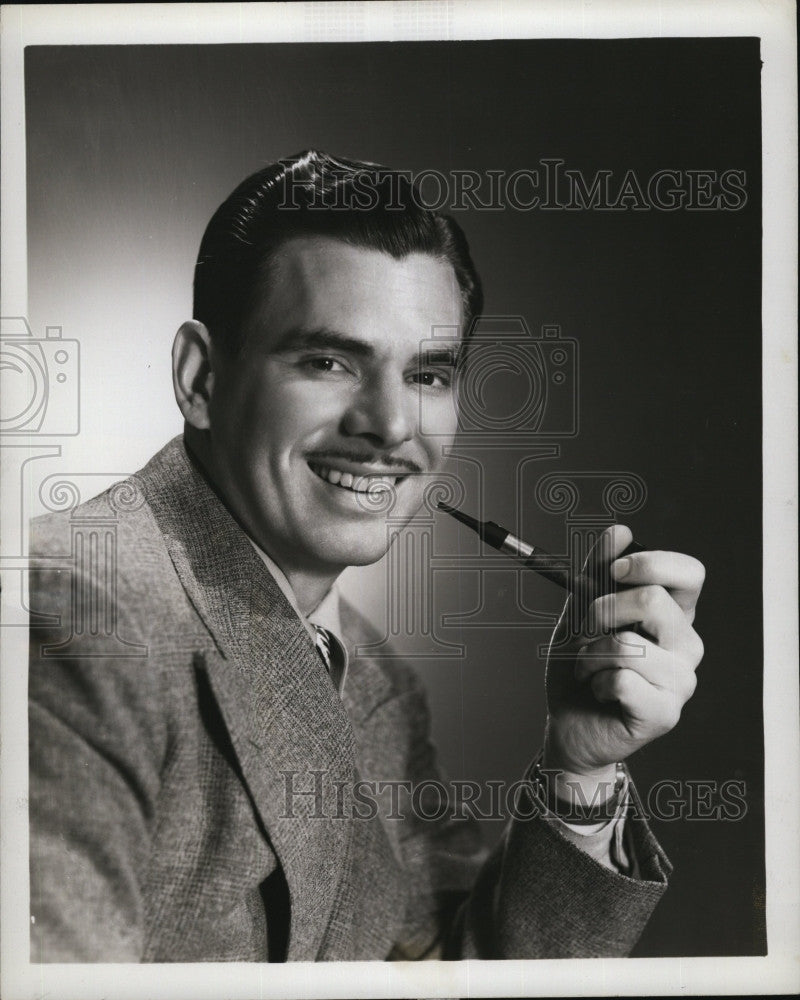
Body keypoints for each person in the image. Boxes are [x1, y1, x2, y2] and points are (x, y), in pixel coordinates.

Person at [28, 150, 705, 962]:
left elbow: (451, 979)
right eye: (329, 361)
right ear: (201, 378)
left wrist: (580, 766)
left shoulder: (376, 683)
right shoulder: (74, 615)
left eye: (426, 374)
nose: (390, 426)